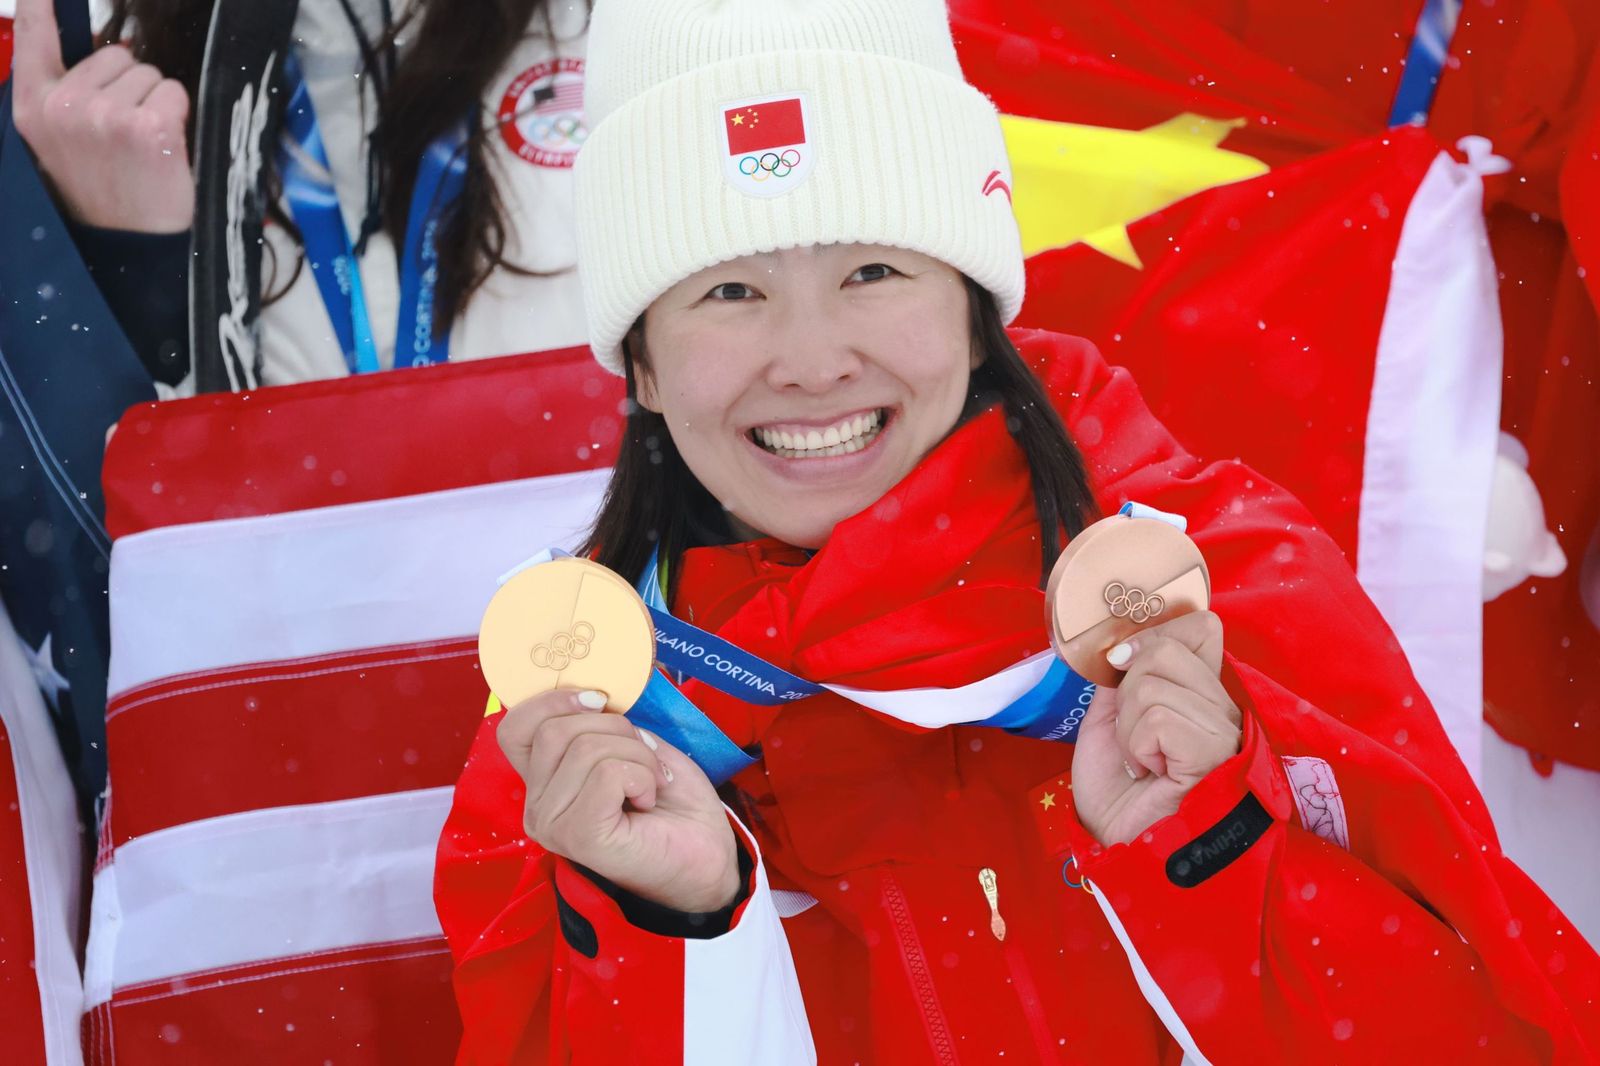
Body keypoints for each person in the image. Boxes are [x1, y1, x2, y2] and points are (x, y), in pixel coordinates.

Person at [434, 0, 1600, 1062]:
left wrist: (1208, 853)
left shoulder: (1222, 591)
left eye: (872, 269)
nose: (811, 360)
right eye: (728, 292)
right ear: (639, 359)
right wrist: (671, 922)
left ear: (976, 306)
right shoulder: (579, 722)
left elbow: (1490, 1035)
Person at [11, 0, 591, 392]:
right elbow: (108, 546)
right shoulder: (88, 100)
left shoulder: (643, 32)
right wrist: (136, 268)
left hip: (595, 569)